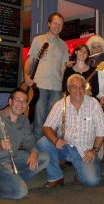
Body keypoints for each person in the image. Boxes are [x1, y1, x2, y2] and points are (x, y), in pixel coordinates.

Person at [0, 88, 49, 199]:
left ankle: (12, 179)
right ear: (10, 101)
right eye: (17, 100)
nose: (21, 104)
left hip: (13, 157)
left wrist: (34, 152)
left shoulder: (24, 120)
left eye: (24, 101)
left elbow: (30, 142)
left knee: (44, 158)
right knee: (21, 192)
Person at [37, 74, 104, 187]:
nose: (78, 90)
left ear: (85, 88)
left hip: (85, 151)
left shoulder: (94, 104)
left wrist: (94, 150)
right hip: (65, 147)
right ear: (68, 89)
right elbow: (47, 127)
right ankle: (56, 176)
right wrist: (55, 141)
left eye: (81, 87)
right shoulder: (60, 104)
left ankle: (79, 175)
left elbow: (101, 131)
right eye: (74, 86)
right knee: (43, 142)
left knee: (92, 181)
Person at [24, 12, 69, 140]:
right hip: (39, 87)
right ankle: (36, 153)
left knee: (52, 123)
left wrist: (65, 87)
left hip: (57, 88)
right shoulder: (38, 40)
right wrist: (26, 76)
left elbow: (63, 68)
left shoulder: (63, 45)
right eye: (55, 23)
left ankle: (48, 151)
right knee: (38, 121)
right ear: (49, 24)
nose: (57, 26)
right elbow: (29, 60)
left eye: (60, 24)